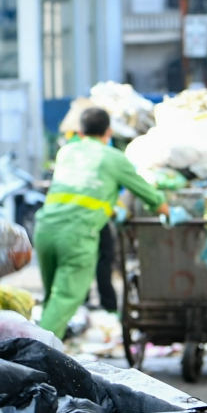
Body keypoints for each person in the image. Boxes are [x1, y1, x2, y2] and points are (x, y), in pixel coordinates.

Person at [35, 107, 169, 339]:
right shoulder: (114, 158)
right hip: (76, 235)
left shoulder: (66, 152)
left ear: (80, 131)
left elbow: (84, 187)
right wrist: (170, 211)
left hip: (44, 231)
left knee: (52, 299)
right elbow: (151, 198)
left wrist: (112, 207)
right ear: (109, 131)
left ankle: (41, 347)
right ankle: (34, 354)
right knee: (65, 299)